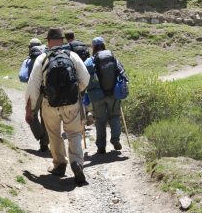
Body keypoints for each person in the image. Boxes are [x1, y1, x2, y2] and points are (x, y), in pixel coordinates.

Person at [25, 28, 90, 185]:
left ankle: (60, 164)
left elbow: (33, 86)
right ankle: (77, 163)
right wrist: (77, 92)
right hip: (72, 103)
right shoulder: (72, 56)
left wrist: (30, 109)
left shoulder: (42, 58)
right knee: (74, 133)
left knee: (54, 134)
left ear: (48, 41)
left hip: (49, 103)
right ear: (62, 40)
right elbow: (85, 78)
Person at [84, 37, 126, 154]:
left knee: (100, 121)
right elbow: (122, 73)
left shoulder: (89, 61)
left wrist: (86, 97)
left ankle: (101, 147)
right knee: (115, 117)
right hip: (113, 94)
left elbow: (84, 77)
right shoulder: (113, 58)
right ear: (104, 45)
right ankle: (115, 139)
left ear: (93, 47)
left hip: (97, 96)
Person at [18, 38, 49, 152]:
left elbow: (22, 77)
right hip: (47, 91)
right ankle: (45, 142)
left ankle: (41, 136)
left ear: (30, 47)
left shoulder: (28, 60)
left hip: (34, 92)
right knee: (45, 117)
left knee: (31, 115)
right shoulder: (47, 57)